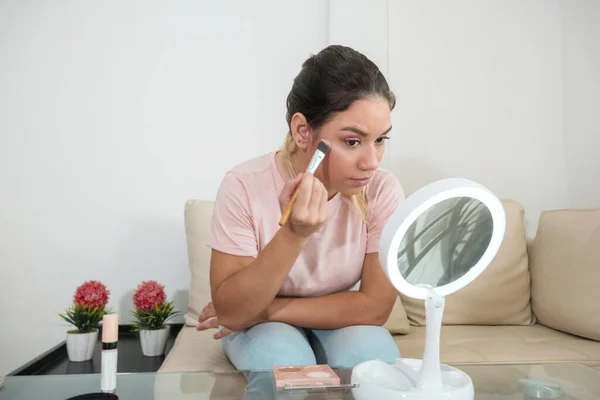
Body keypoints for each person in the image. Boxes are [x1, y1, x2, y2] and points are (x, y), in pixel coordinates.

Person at [196, 45, 405, 377]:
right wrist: (294, 234)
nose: (372, 162)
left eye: (380, 140)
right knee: (283, 360)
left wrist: (267, 310)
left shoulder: (382, 190)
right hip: (265, 325)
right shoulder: (243, 186)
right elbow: (234, 313)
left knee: (373, 358)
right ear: (303, 131)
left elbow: (375, 307)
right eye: (353, 141)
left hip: (313, 314)